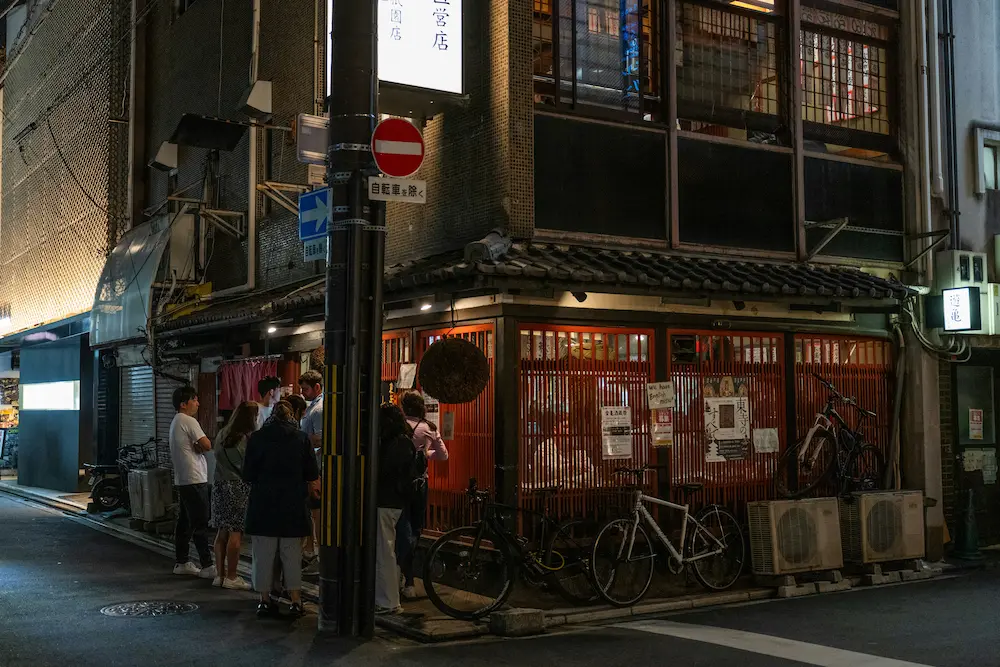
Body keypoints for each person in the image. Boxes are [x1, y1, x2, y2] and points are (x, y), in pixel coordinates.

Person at [243, 401, 319, 618]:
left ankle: (264, 601)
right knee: (291, 556)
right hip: (292, 505)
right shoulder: (301, 438)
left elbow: (247, 474)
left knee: (263, 556)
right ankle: (296, 601)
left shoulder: (257, 438)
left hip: (263, 505)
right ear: (291, 416)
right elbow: (311, 473)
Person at [397, 391, 449, 600]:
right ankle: (409, 579)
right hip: (420, 483)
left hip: (399, 484)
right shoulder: (429, 428)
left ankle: (403, 575)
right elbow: (444, 455)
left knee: (402, 527)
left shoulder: (399, 426)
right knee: (416, 528)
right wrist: (424, 453)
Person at [376, 404, 420, 615]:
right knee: (387, 549)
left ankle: (389, 601)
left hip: (386, 501)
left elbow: (387, 472)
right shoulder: (404, 442)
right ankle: (387, 598)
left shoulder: (395, 444)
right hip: (395, 501)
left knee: (385, 550)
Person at [168, 386, 216, 580]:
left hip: (183, 478)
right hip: (195, 478)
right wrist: (200, 445)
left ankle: (182, 561)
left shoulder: (176, 422)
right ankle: (207, 565)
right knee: (200, 522)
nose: (198, 403)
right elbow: (206, 445)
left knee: (185, 522)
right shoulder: (188, 420)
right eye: (194, 400)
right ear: (183, 403)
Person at [210, 401, 257, 591]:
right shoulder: (245, 438)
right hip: (237, 487)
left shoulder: (222, 434)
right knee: (236, 533)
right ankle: (232, 576)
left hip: (219, 486)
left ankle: (219, 576)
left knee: (222, 532)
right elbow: (248, 466)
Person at [298, 370, 324, 569]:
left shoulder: (319, 409)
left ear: (317, 387)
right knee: (311, 509)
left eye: (305, 388)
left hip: (317, 465)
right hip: (310, 464)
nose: (303, 392)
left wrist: (301, 440)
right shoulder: (312, 407)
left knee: (316, 510)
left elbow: (321, 438)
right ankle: (310, 548)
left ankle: (317, 549)